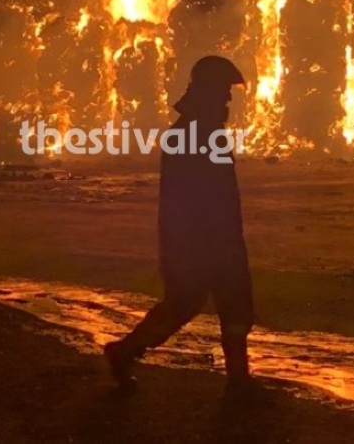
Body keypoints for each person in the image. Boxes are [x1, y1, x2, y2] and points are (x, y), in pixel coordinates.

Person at [104, 55, 257, 394]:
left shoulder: (198, 132)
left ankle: (238, 379)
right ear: (207, 91)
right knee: (193, 304)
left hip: (206, 238)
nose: (228, 99)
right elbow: (201, 194)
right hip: (203, 239)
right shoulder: (193, 135)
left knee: (226, 305)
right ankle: (125, 351)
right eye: (223, 91)